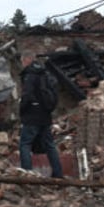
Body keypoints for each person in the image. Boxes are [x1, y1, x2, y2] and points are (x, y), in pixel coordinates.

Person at [18, 50, 64, 178]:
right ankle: (58, 173)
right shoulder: (45, 73)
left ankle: (27, 174)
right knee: (49, 145)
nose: (22, 64)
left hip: (32, 115)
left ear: (27, 60)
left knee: (25, 144)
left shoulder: (30, 74)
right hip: (45, 114)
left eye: (22, 61)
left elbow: (26, 95)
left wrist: (22, 110)